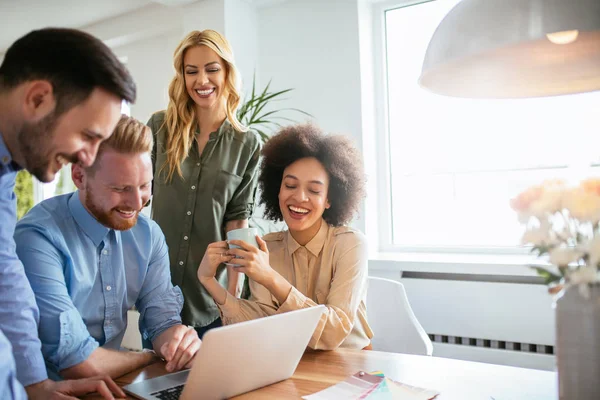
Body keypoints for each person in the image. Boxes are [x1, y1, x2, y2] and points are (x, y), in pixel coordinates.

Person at [0, 28, 136, 399]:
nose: (88, 159)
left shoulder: (5, 171)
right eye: (88, 135)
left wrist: (35, 386)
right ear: (38, 98)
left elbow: (6, 280)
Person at [14, 115, 201, 380]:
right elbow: (77, 362)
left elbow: (163, 323)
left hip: (114, 385)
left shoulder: (148, 235)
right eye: (120, 188)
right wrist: (147, 356)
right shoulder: (38, 238)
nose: (137, 202)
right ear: (79, 176)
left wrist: (178, 344)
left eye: (144, 186)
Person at [198, 123, 374, 350]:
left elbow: (332, 334)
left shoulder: (351, 244)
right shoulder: (268, 246)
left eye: (314, 190)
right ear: (277, 190)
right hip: (294, 364)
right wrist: (209, 281)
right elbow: (261, 326)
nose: (299, 197)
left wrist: (270, 277)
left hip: (352, 367)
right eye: (290, 185)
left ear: (329, 199)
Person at [147, 30, 261, 338]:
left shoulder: (246, 143)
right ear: (181, 76)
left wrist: (233, 300)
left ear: (226, 72)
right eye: (191, 71)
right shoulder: (159, 128)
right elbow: (137, 197)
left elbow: (237, 221)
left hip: (210, 299)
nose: (202, 80)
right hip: (157, 293)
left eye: (212, 69)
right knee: (157, 384)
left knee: (212, 385)